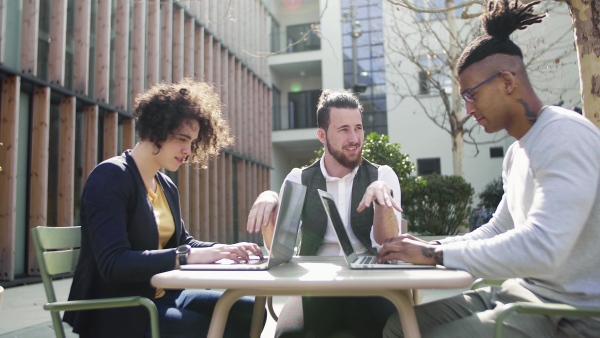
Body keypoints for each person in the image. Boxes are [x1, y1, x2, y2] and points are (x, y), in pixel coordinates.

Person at [377, 1, 600, 337]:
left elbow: (543, 249)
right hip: (523, 294)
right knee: (399, 325)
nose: (468, 110)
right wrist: (430, 246)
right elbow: (499, 230)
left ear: (507, 81)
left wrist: (432, 254)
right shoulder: (516, 153)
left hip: (570, 313)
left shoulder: (565, 136)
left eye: (471, 95)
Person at [64, 78, 265, 338]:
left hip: (162, 299)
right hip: (123, 313)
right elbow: (113, 263)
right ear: (156, 131)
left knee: (251, 313)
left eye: (192, 142)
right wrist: (186, 256)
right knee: (226, 331)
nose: (188, 150)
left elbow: (183, 242)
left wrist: (220, 250)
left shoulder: (165, 185)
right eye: (182, 139)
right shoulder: (110, 177)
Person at [247, 89, 403, 337]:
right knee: (289, 335)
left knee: (375, 326)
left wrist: (381, 200)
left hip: (370, 285)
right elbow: (277, 249)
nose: (354, 138)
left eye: (358, 128)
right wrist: (270, 198)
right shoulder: (299, 179)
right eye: (343, 130)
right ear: (322, 135)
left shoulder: (382, 176)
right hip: (314, 285)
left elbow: (389, 243)